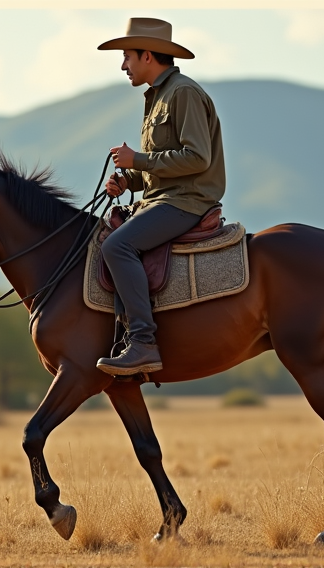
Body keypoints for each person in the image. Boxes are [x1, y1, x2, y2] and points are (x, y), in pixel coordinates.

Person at [95, 17, 227, 376]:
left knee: (116, 247)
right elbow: (162, 164)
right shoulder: (158, 96)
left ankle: (142, 342)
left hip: (187, 201)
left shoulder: (182, 93)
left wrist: (135, 158)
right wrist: (129, 180)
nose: (123, 65)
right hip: (163, 198)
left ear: (148, 55)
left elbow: (197, 157)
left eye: (127, 57)